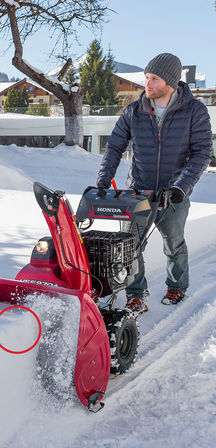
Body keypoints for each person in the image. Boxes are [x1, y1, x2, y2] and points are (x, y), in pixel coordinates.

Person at [96, 53, 212, 313]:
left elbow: (202, 153)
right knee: (129, 246)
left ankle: (177, 285)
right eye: (147, 77)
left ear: (170, 82)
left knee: (174, 244)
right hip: (138, 192)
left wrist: (181, 187)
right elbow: (115, 146)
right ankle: (136, 294)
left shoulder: (195, 111)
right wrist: (105, 175)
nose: (147, 83)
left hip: (174, 194)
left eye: (154, 78)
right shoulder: (134, 111)